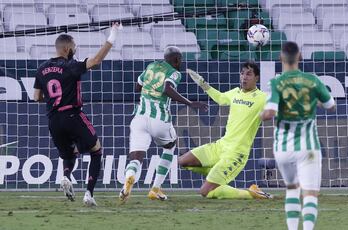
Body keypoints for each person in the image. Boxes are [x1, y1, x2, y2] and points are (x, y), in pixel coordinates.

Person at [33, 23, 121, 206]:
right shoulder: (71, 66)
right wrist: (112, 35)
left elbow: (36, 97)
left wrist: (53, 98)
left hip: (53, 120)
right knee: (96, 150)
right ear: (66, 48)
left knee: (69, 154)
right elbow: (96, 61)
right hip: (72, 114)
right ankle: (89, 193)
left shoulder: (41, 69)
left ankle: (66, 176)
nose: (75, 50)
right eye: (74, 47)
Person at [261, 41, 336, 230]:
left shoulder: (276, 83)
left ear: (281, 58)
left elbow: (269, 114)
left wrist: (264, 114)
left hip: (283, 149)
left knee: (292, 188)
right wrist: (316, 102)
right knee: (310, 193)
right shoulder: (312, 80)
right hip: (308, 147)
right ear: (299, 57)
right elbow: (331, 105)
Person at [119, 46, 208, 202]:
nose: (180, 62)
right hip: (159, 120)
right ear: (176, 59)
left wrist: (150, 92)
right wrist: (190, 103)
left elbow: (137, 87)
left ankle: (129, 177)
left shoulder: (151, 66)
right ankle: (155, 189)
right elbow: (167, 88)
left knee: (136, 158)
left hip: (139, 119)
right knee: (170, 146)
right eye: (180, 59)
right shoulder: (174, 72)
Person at [178, 61, 272, 200]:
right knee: (182, 161)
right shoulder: (235, 93)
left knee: (206, 192)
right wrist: (204, 85)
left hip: (236, 153)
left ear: (256, 78)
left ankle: (251, 193)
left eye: (249, 74)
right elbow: (221, 99)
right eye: (242, 73)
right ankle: (215, 173)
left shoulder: (262, 98)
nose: (244, 77)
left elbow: (279, 108)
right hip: (221, 145)